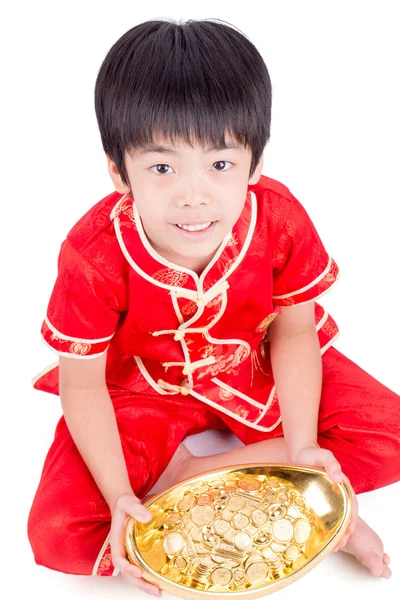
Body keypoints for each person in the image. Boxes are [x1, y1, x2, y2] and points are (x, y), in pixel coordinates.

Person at [27, 18, 399, 597]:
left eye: (220, 164)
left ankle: (188, 474)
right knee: (59, 533)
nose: (193, 194)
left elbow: (296, 333)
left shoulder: (277, 217)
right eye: (162, 167)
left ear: (254, 164)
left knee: (389, 434)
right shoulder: (94, 254)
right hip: (140, 389)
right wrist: (123, 494)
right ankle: (172, 484)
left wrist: (303, 451)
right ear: (118, 170)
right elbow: (82, 386)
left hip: (257, 365)